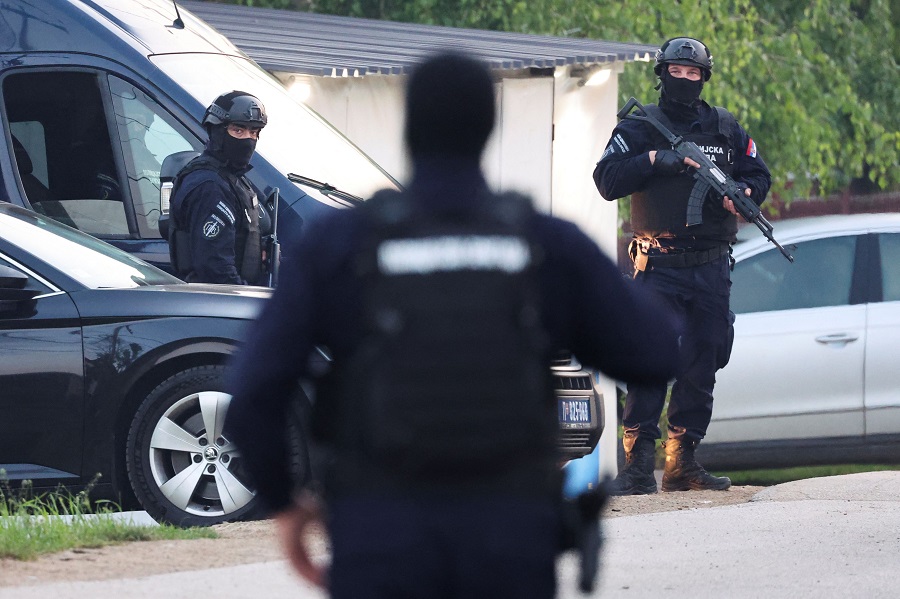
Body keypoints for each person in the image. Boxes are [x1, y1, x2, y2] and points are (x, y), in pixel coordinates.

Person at [225, 51, 679, 599]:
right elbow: (655, 352)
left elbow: (254, 392)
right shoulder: (544, 244)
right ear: (489, 127)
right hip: (508, 541)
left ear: (410, 128)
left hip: (380, 537)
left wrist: (285, 501)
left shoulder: (341, 245)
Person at [593, 37, 772, 495]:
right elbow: (606, 179)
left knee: (703, 360)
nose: (686, 80)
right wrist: (656, 159)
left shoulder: (725, 128)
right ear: (662, 74)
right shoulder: (639, 128)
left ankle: (682, 462)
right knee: (649, 357)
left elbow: (758, 172)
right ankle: (637, 468)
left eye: (695, 74)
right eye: (678, 71)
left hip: (711, 266)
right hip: (658, 263)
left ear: (704, 79)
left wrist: (747, 195)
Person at [168, 91, 267, 284]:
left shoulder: (232, 178)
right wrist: (245, 297)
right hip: (216, 303)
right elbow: (215, 267)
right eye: (238, 131)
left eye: (253, 132)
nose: (248, 139)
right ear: (218, 131)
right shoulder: (210, 186)